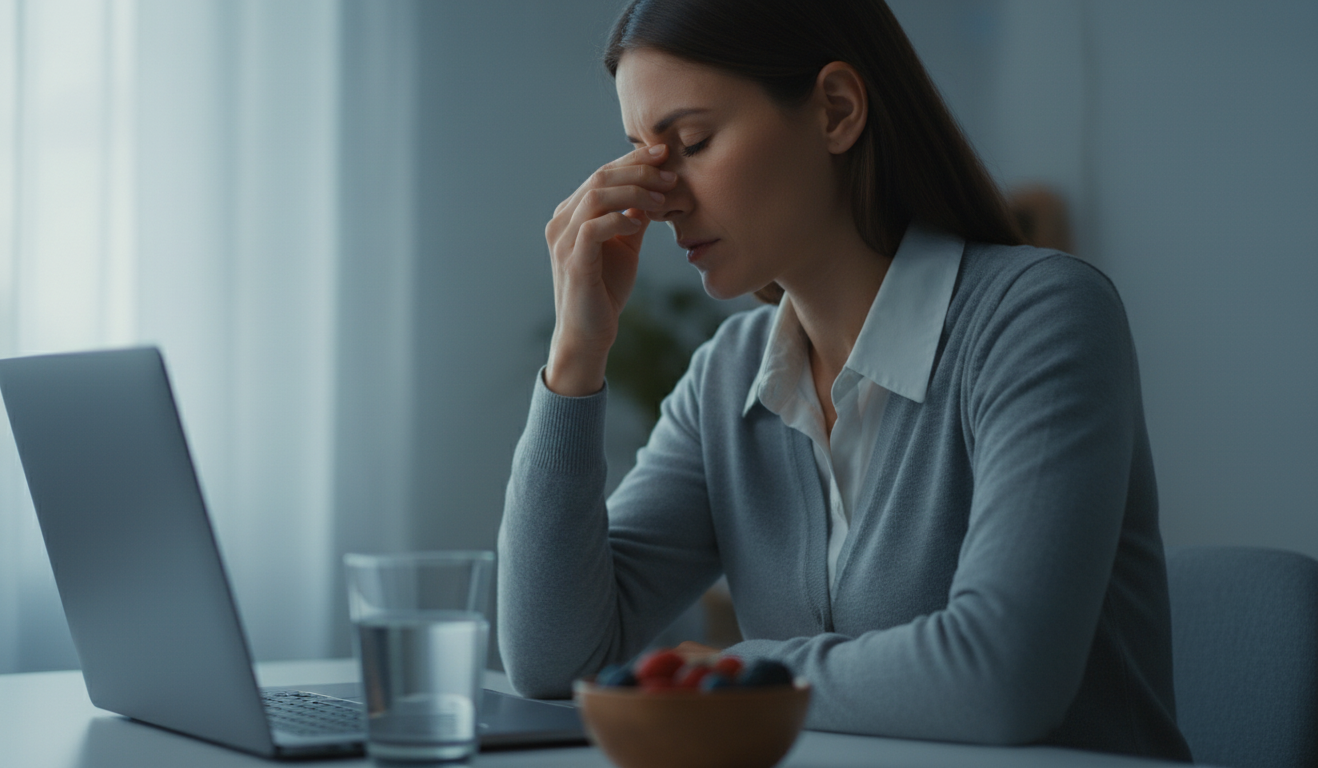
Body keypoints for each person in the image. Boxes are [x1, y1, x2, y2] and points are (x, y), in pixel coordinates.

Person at [497, 0, 1192, 760]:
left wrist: (737, 674)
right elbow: (552, 658)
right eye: (642, 156)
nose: (662, 202)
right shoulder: (727, 382)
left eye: (691, 142)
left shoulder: (1039, 318)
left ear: (835, 110)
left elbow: (1004, 677)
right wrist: (575, 357)